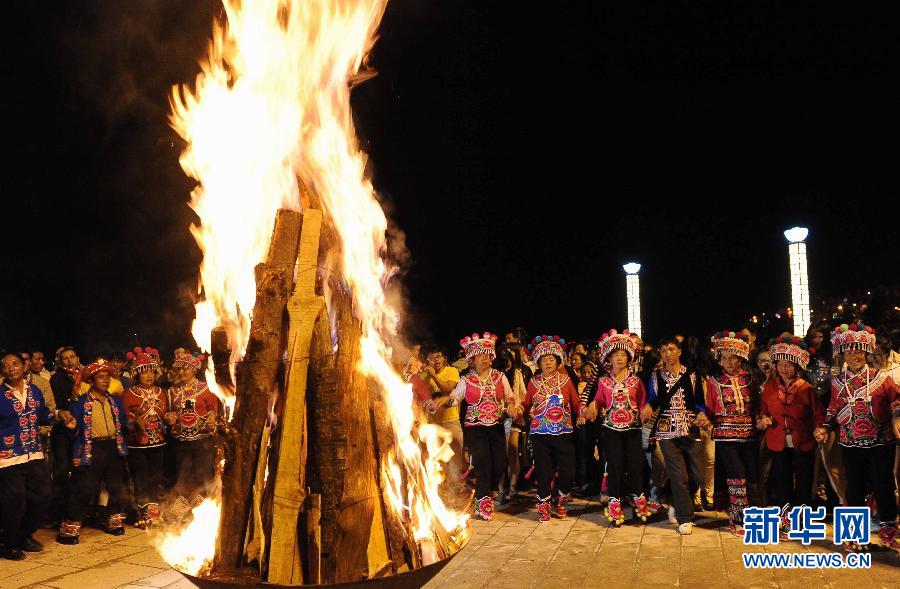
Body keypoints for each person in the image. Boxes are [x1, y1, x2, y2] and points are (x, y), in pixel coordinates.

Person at [814, 323, 900, 549]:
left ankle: (889, 529)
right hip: (850, 443)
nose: (855, 356)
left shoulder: (881, 378)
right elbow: (833, 409)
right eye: (850, 352)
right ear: (843, 354)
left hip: (881, 442)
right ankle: (853, 534)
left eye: (859, 351)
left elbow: (897, 401)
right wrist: (824, 426)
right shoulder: (837, 382)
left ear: (866, 352)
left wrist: (897, 418)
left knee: (884, 485)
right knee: (854, 487)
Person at [57, 360, 131, 544]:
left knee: (117, 486)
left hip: (113, 447)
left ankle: (114, 522)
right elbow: (74, 428)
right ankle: (70, 530)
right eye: (100, 377)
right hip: (91, 449)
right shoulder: (80, 403)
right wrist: (72, 427)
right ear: (91, 380)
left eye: (107, 377)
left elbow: (123, 423)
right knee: (83, 488)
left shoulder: (115, 401)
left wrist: (134, 423)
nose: (105, 381)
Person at [514, 335, 583, 521]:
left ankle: (561, 497)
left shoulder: (566, 380)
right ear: (538, 362)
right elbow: (526, 403)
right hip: (540, 434)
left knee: (569, 471)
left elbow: (576, 402)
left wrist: (583, 412)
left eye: (552, 359)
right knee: (544, 471)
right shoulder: (533, 383)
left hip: (563, 433)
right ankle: (543, 503)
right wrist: (518, 410)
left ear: (558, 361)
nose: (548, 362)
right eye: (544, 359)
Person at [644, 337, 709, 535]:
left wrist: (701, 413)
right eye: (663, 350)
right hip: (666, 430)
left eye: (671, 349)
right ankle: (685, 517)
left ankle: (677, 502)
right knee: (678, 475)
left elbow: (699, 401)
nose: (667, 354)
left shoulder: (692, 374)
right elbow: (653, 399)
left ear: (679, 351)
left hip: (690, 428)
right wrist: (647, 406)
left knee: (698, 474)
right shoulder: (656, 376)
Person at [447, 332, 515, 521]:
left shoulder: (500, 376)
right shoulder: (466, 380)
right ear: (472, 360)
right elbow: (454, 398)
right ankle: (483, 501)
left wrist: (510, 405)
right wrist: (441, 402)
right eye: (480, 356)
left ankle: (489, 490)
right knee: (482, 462)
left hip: (496, 425)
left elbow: (509, 396)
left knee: (500, 462)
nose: (484, 359)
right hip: (474, 427)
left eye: (487, 355)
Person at [585, 329, 649, 527]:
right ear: (608, 359)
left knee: (635, 467)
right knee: (615, 467)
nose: (619, 358)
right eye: (615, 355)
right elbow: (597, 400)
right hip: (611, 429)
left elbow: (642, 402)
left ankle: (638, 502)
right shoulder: (603, 382)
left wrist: (645, 410)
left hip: (632, 429)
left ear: (629, 358)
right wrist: (593, 406)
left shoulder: (636, 381)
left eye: (623, 355)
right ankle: (615, 503)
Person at [757, 336, 823, 508]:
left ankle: (802, 513)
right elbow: (763, 408)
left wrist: (819, 429)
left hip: (803, 440)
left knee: (804, 479)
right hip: (777, 439)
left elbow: (818, 415)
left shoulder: (807, 388)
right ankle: (785, 513)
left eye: (788, 364)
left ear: (796, 366)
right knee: (782, 479)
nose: (783, 368)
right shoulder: (770, 386)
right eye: (780, 365)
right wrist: (764, 417)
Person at [0, 353, 54, 560]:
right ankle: (9, 542)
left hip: (34, 453)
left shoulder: (35, 391)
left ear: (24, 366)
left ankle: (24, 535)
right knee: (15, 501)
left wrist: (59, 416)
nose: (11, 368)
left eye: (15, 364)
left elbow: (43, 416)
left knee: (43, 496)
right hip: (8, 457)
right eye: (5, 366)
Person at [705, 331, 757, 535]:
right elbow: (709, 409)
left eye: (732, 357)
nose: (728, 361)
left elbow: (758, 406)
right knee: (736, 477)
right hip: (726, 437)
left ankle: (753, 516)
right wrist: (706, 421)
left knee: (752, 477)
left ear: (741, 358)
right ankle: (738, 519)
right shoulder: (713, 381)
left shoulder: (751, 379)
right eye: (724, 357)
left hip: (750, 435)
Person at [165, 349, 221, 521]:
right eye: (179, 369)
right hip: (181, 440)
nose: (182, 372)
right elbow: (169, 413)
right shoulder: (172, 392)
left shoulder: (206, 388)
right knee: (183, 471)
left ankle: (202, 505)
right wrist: (169, 417)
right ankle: (183, 503)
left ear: (194, 369)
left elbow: (214, 411)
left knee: (203, 472)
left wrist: (212, 418)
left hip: (202, 440)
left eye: (186, 368)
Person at [122, 347, 168, 529]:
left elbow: (165, 415)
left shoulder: (160, 392)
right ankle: (142, 514)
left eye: (151, 371)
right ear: (136, 375)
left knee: (155, 478)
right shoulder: (129, 394)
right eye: (144, 372)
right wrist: (134, 421)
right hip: (137, 445)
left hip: (158, 442)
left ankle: (154, 511)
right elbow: (124, 417)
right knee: (140, 479)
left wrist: (170, 418)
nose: (148, 375)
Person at [48, 346, 81, 524]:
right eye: (65, 358)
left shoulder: (84, 377)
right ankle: (59, 512)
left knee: (79, 470)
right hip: (62, 430)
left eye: (72, 357)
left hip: (80, 430)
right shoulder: (56, 378)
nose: (69, 360)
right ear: (61, 361)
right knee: (62, 470)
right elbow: (56, 404)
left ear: (77, 358)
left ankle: (78, 511)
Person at [420, 346, 462, 478]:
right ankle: (441, 493)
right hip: (433, 425)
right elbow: (419, 394)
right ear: (427, 361)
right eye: (432, 358)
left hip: (451, 421)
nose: (436, 360)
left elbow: (447, 389)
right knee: (437, 461)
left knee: (456, 460)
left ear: (444, 358)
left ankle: (457, 491)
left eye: (438, 356)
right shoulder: (424, 376)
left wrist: (433, 375)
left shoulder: (452, 371)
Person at [497, 344, 531, 502]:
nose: (508, 364)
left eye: (510, 360)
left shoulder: (517, 373)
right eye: (505, 361)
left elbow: (523, 395)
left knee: (512, 452)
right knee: (499, 455)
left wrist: (518, 409)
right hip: (496, 418)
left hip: (514, 417)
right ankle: (500, 489)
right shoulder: (494, 375)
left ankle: (512, 485)